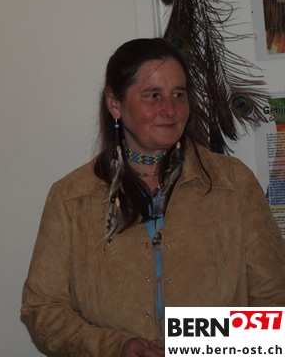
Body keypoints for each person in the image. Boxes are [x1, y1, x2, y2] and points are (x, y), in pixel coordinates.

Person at [21, 38, 285, 357]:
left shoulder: (233, 184)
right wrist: (115, 347)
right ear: (115, 104)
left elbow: (274, 300)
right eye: (153, 95)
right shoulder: (72, 198)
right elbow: (43, 309)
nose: (170, 110)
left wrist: (191, 345)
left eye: (179, 94)